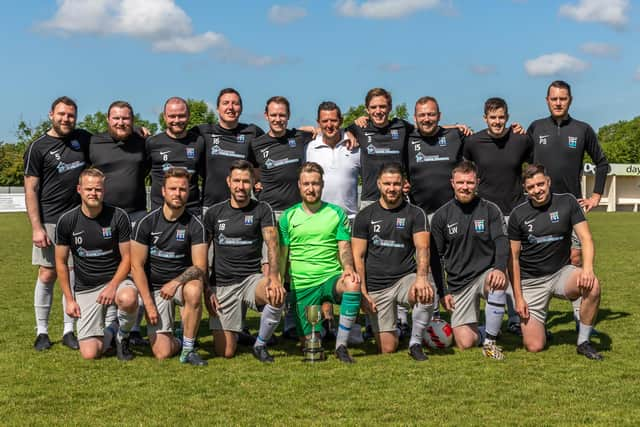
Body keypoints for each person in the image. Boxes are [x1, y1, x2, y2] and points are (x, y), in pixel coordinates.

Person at [527, 80, 609, 330]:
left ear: (570, 100)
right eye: (554, 98)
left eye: (563, 98)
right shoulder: (536, 127)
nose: (558, 102)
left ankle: (579, 316)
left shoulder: (582, 129)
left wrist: (596, 195)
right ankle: (534, 314)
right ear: (547, 100)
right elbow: (519, 162)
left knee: (575, 259)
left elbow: (602, 163)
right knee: (539, 262)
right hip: (540, 208)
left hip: (572, 208)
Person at [508, 164, 603, 360]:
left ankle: (583, 342)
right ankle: (540, 329)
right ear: (525, 189)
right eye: (531, 187)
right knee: (534, 346)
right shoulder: (518, 214)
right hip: (531, 282)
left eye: (540, 184)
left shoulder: (567, 202)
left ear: (548, 182)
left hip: (561, 274)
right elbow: (513, 259)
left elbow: (586, 238)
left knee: (592, 285)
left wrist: (587, 269)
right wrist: (518, 297)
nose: (537, 190)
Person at [23, 96, 90, 351]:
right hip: (50, 220)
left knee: (71, 274)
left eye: (71, 115)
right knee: (47, 273)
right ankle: (41, 331)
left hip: (78, 220)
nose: (66, 119)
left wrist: (137, 131)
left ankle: (68, 330)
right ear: (51, 114)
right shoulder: (37, 147)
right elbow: (31, 189)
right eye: (61, 114)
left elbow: (110, 139)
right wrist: (36, 227)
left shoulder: (83, 139)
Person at [279, 162, 362, 363]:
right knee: (311, 346)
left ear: (322, 185)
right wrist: (280, 283)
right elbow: (283, 256)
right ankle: (320, 328)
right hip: (302, 286)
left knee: (352, 283)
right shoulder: (287, 216)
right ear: (299, 185)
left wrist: (349, 268)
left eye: (315, 184)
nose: (311, 188)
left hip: (329, 278)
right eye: (306, 184)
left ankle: (341, 346)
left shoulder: (336, 213)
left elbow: (344, 248)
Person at [463, 97, 532, 335]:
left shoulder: (521, 140)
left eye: (501, 117)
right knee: (483, 263)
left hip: (513, 211)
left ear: (508, 117)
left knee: (512, 263)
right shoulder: (473, 142)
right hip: (483, 213)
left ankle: (514, 316)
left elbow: (534, 169)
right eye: (493, 117)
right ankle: (481, 314)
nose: (497, 122)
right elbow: (464, 173)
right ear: (485, 118)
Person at [351, 163, 435, 361]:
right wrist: (363, 293)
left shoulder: (415, 213)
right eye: (387, 183)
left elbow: (423, 248)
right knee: (388, 348)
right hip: (377, 287)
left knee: (426, 290)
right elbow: (358, 257)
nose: (392, 188)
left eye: (396, 184)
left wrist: (422, 279)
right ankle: (396, 327)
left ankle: (415, 343)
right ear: (379, 184)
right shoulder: (365, 215)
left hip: (404, 279)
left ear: (403, 185)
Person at [204, 160, 285, 362]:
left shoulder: (262, 209)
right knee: (226, 352)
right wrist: (206, 288)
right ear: (228, 182)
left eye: (246, 182)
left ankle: (260, 344)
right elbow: (202, 255)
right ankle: (238, 332)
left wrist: (274, 277)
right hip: (222, 284)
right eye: (237, 181)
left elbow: (272, 244)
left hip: (251, 280)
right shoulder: (214, 213)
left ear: (253, 183)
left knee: (276, 294)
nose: (241, 187)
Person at [54, 168, 138, 360]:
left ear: (104, 190)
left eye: (98, 189)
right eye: (89, 189)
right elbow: (60, 262)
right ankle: (113, 328)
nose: (93, 193)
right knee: (90, 353)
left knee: (129, 297)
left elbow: (128, 258)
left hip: (116, 282)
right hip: (86, 287)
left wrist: (112, 286)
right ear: (79, 189)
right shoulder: (67, 221)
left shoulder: (118, 216)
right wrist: (69, 299)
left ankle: (123, 336)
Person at [430, 161, 508, 360]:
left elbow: (501, 241)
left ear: (477, 183)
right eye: (461, 182)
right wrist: (443, 292)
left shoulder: (490, 210)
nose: (465, 187)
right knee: (465, 342)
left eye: (470, 182)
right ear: (452, 183)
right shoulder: (441, 216)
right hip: (459, 284)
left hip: (485, 274)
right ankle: (488, 329)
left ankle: (490, 343)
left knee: (497, 282)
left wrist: (499, 268)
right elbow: (435, 258)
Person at [130, 167, 208, 366]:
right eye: (172, 189)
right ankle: (179, 338)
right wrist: (148, 304)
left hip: (179, 286)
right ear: (163, 191)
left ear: (188, 192)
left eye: (182, 189)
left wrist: (175, 283)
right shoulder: (145, 222)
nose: (177, 193)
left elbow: (200, 266)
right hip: (155, 289)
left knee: (194, 288)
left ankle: (188, 349)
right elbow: (136, 266)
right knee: (162, 353)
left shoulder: (196, 224)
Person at [89, 100, 150, 346]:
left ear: (133, 120)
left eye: (125, 118)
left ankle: (134, 329)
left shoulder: (142, 143)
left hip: (136, 214)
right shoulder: (92, 142)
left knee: (138, 271)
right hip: (105, 217)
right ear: (108, 119)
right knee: (109, 269)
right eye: (116, 118)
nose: (121, 122)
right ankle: (109, 324)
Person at [305, 101, 361, 340]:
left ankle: (353, 326)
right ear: (318, 123)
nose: (329, 125)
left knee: (353, 272)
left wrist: (353, 131)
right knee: (324, 269)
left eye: (334, 120)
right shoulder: (309, 147)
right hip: (320, 219)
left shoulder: (354, 146)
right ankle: (325, 322)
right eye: (324, 121)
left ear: (341, 121)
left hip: (351, 218)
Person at [195, 88, 265, 210]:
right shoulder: (203, 132)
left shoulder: (253, 132)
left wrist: (301, 132)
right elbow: (176, 139)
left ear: (241, 109)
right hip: (210, 207)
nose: (230, 107)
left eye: (235, 103)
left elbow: (274, 147)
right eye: (225, 103)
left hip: (243, 207)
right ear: (217, 108)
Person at [147, 97, 205, 215]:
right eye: (172, 116)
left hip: (192, 212)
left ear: (188, 116)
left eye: (181, 116)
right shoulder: (152, 142)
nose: (177, 120)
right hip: (160, 211)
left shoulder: (199, 142)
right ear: (164, 117)